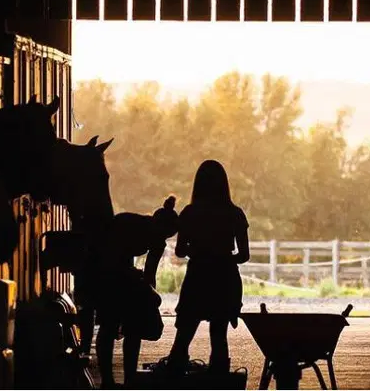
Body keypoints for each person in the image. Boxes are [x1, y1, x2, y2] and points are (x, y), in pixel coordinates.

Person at [77, 196, 179, 388]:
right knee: (109, 324)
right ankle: (109, 380)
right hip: (101, 268)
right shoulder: (128, 223)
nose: (162, 239)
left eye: (165, 237)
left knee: (133, 326)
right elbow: (109, 256)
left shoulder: (157, 239)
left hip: (121, 272)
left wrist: (149, 299)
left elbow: (150, 275)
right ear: (155, 223)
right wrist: (134, 279)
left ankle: (130, 380)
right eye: (162, 234)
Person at [162, 160, 250, 376]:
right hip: (225, 277)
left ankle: (174, 376)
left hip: (198, 276)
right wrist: (223, 258)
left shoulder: (190, 213)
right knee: (219, 334)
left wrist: (201, 253)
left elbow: (180, 251)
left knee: (184, 333)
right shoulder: (235, 213)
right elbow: (244, 255)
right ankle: (220, 380)